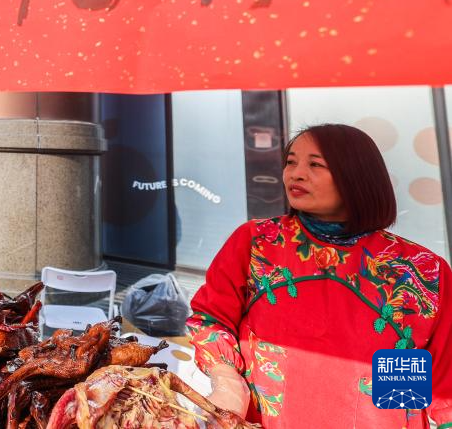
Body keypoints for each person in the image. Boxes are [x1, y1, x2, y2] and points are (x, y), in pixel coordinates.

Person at [187, 124, 451, 428]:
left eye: (315, 164)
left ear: (356, 174)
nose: (296, 174)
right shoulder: (257, 242)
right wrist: (227, 381)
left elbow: (442, 381)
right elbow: (210, 318)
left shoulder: (420, 269)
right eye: (291, 162)